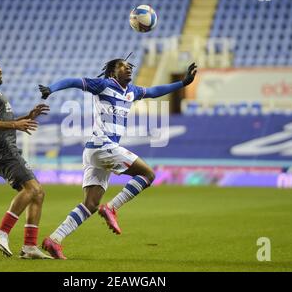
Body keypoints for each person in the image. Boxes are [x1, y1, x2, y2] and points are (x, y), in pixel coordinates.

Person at [38, 58, 197, 259]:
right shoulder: (104, 85)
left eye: (130, 66)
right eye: (124, 66)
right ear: (113, 72)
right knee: (148, 174)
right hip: (104, 146)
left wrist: (183, 83)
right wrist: (51, 89)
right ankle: (112, 207)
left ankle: (54, 239)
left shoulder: (132, 91)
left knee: (90, 204)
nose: (129, 68)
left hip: (95, 151)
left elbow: (155, 91)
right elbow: (74, 81)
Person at [0, 54, 52, 259]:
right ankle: (1, 233)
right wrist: (15, 125)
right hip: (1, 149)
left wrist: (26, 117)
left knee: (38, 193)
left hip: (7, 148)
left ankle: (30, 247)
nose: (0, 69)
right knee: (32, 189)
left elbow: (1, 121)